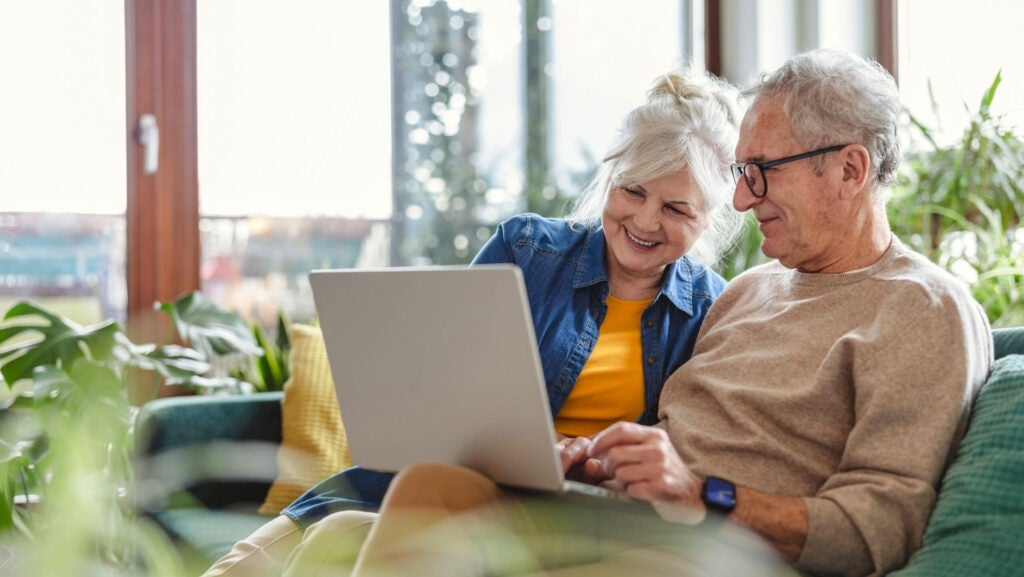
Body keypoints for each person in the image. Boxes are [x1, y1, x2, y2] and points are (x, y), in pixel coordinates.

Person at [262, 48, 995, 577]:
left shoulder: (924, 309)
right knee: (425, 491)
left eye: (759, 172)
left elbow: (879, 528)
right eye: (742, 174)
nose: (739, 200)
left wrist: (701, 493)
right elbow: (673, 435)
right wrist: (606, 455)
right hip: (615, 510)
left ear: (850, 168)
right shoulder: (750, 292)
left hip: (716, 549)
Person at [201, 66, 747, 577]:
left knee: (336, 539)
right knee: (258, 561)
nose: (646, 220)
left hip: (564, 513)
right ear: (609, 180)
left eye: (677, 209)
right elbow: (443, 393)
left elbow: (682, 456)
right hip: (431, 483)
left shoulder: (712, 312)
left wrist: (596, 461)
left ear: (709, 219)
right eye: (633, 190)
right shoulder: (527, 249)